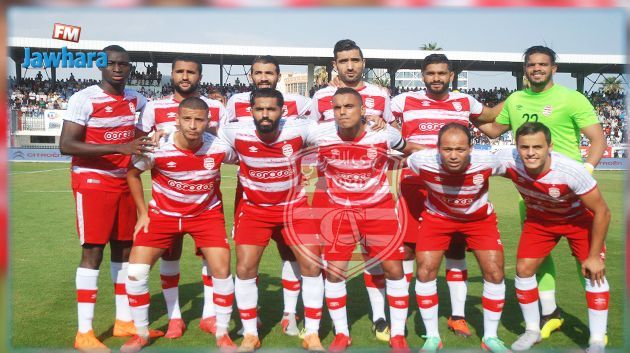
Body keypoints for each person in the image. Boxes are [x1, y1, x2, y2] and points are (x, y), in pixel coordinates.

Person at [474, 45, 607, 340]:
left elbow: (597, 138)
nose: (537, 69)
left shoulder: (572, 98)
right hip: (532, 196)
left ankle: (597, 335)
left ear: (553, 68)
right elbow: (495, 130)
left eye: (543, 64)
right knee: (538, 258)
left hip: (572, 190)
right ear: (525, 69)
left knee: (586, 261)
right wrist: (464, 112)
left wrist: (587, 170)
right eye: (531, 64)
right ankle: (550, 314)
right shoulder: (516, 99)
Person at [390, 53, 503, 337]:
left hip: (454, 187)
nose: (436, 78)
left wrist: (524, 100)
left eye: (442, 73)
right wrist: (413, 149)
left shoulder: (465, 102)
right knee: (407, 250)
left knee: (455, 250)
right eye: (431, 73)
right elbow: (388, 132)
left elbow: (490, 121)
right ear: (422, 75)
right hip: (414, 183)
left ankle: (457, 316)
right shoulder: (403, 102)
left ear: (451, 75)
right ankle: (401, 316)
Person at [306, 87, 421, 352]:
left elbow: (410, 150)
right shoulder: (319, 135)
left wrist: (438, 155)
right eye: (337, 107)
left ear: (362, 110)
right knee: (334, 274)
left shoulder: (384, 134)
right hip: (339, 215)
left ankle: (398, 335)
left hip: (378, 212)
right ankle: (342, 334)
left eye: (349, 106)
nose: (342, 112)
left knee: (394, 270)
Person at [120, 97, 237, 353]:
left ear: (208, 122)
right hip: (163, 215)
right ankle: (141, 334)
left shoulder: (218, 147)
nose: (193, 125)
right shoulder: (158, 146)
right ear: (177, 120)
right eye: (187, 119)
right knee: (136, 273)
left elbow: (249, 157)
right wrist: (142, 212)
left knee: (222, 270)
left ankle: (223, 334)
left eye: (199, 120)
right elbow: (132, 173)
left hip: (206, 215)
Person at [59, 45, 152, 353]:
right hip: (93, 181)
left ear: (130, 67)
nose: (117, 68)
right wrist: (120, 148)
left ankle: (123, 321)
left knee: (125, 248)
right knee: (93, 251)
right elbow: (67, 145)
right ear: (101, 66)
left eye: (122, 64)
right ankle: (84, 333)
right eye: (111, 63)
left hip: (124, 181)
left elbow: (143, 138)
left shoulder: (138, 99)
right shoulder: (84, 98)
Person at [219, 88, 325, 352]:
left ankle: (312, 334)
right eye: (259, 109)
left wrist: (371, 122)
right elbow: (206, 144)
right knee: (245, 269)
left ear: (282, 111)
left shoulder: (300, 128)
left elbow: (336, 134)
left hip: (294, 209)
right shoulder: (234, 132)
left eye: (271, 109)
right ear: (251, 110)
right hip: (255, 210)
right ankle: (250, 335)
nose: (265, 115)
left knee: (313, 266)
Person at [134, 55, 226, 339]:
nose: (185, 76)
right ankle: (174, 318)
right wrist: (155, 137)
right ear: (172, 74)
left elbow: (225, 144)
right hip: (166, 199)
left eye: (191, 72)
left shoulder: (217, 107)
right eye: (180, 71)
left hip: (205, 197)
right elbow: (141, 148)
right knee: (168, 256)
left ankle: (211, 316)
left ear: (199, 76)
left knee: (213, 261)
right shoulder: (154, 107)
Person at [496, 122, 610, 353]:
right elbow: (473, 164)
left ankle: (597, 340)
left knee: (593, 272)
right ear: (515, 146)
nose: (530, 153)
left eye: (537, 146)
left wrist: (595, 255)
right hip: (540, 221)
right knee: (524, 269)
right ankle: (531, 331)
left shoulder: (570, 170)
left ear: (550, 146)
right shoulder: (508, 161)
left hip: (578, 221)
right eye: (524, 147)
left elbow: (603, 212)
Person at [310, 39, 394, 341]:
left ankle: (381, 316)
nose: (350, 66)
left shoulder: (381, 95)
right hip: (329, 189)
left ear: (363, 61)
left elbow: (390, 138)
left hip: (372, 190)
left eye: (355, 60)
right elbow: (312, 136)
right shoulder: (320, 97)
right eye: (343, 61)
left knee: (375, 255)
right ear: (335, 64)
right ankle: (323, 319)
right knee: (330, 259)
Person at [406, 123, 510, 353]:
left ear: (471, 148)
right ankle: (432, 337)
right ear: (437, 148)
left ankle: (490, 338)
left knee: (494, 271)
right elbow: (400, 156)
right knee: (425, 270)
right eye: (447, 149)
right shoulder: (421, 161)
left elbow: (520, 168)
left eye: (460, 149)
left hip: (479, 220)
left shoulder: (488, 162)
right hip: (437, 219)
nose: (453, 155)